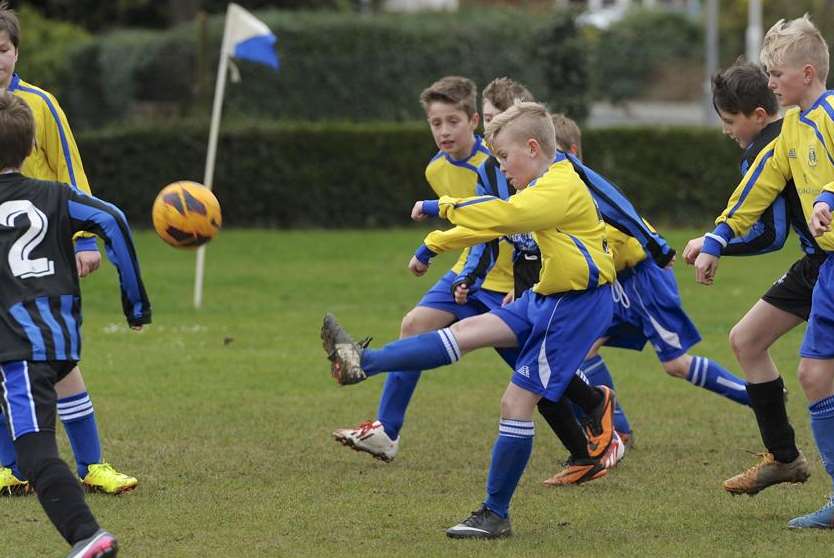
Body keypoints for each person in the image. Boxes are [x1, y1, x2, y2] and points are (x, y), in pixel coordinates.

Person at [323, 101, 616, 538]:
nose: (501, 167)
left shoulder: (558, 187)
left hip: (574, 308)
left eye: (503, 157)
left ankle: (495, 514)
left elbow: (505, 215)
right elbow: (498, 222)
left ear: (533, 148)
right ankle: (363, 362)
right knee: (464, 330)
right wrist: (436, 243)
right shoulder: (539, 185)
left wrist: (440, 206)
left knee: (516, 403)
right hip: (546, 296)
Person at [685, 15, 834, 528]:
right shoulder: (790, 128)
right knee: (754, 343)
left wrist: (830, 197)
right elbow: (753, 197)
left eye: (776, 73)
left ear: (806, 72)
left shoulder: (825, 117)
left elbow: (772, 229)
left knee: (815, 373)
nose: (770, 83)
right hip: (821, 263)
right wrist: (718, 238)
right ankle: (787, 459)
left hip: (826, 264)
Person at [330, 76, 517, 462]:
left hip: (509, 280)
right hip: (469, 271)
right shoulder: (435, 169)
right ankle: (386, 432)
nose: (444, 131)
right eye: (436, 123)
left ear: (474, 121)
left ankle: (601, 419)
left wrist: (428, 248)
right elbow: (469, 230)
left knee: (534, 367)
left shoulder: (498, 161)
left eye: (453, 121)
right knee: (414, 324)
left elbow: (498, 223)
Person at [0, 91, 150, 556]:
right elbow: (115, 220)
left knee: (37, 454)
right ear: (29, 150)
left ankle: (87, 535)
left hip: (20, 348)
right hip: (60, 340)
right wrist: (136, 306)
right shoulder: (57, 196)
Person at [0, 2, 137, 496]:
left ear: (17, 52)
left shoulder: (40, 105)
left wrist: (82, 239)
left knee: (58, 357)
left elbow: (71, 172)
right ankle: (10, 468)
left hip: (42, 251)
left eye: (3, 50)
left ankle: (92, 464)